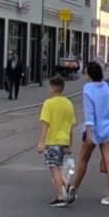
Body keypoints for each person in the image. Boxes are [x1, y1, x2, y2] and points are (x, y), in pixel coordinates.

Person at [62, 60, 109, 207]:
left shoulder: (88, 89)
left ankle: (74, 189)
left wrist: (89, 132)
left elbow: (89, 112)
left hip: (94, 130)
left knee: (83, 159)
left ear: (89, 74)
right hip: (108, 129)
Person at [37, 76, 78, 204]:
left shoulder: (48, 103)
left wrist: (41, 142)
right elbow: (71, 127)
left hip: (52, 141)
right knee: (59, 167)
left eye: (50, 87)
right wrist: (70, 145)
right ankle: (68, 186)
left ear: (54, 88)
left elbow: (45, 125)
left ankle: (61, 195)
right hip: (64, 140)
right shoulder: (68, 104)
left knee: (54, 168)